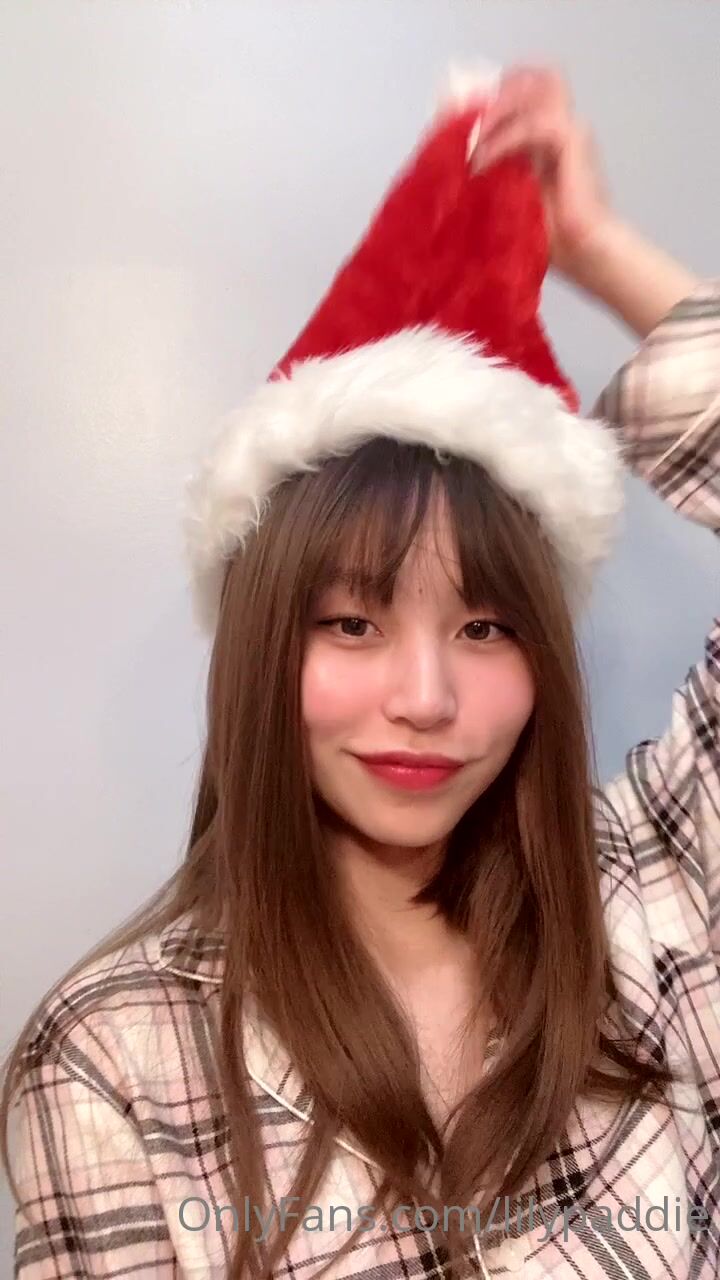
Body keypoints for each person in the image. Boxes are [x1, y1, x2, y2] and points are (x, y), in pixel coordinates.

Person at [1, 62, 718, 1280]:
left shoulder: (650, 897)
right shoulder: (117, 1054)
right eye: (351, 623)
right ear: (262, 648)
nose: (425, 699)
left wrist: (598, 253)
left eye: (486, 629)